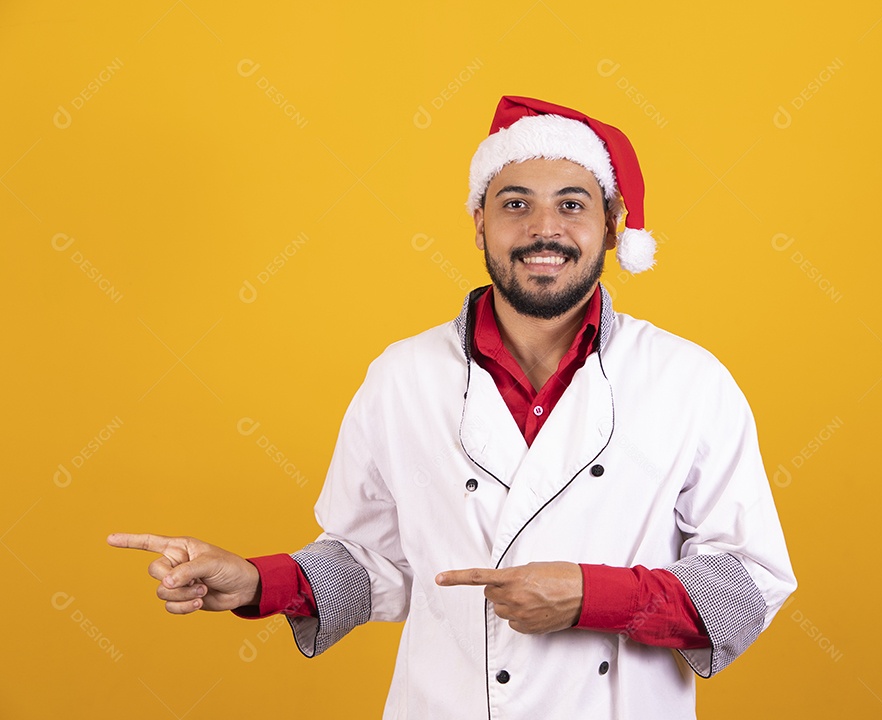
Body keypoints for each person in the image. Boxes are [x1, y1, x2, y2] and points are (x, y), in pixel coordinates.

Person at [110, 95, 797, 719]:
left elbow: (747, 584)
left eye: (572, 204)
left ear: (612, 227)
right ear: (478, 223)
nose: (544, 229)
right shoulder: (402, 376)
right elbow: (369, 562)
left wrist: (592, 598)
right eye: (515, 203)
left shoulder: (688, 380)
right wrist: (256, 582)